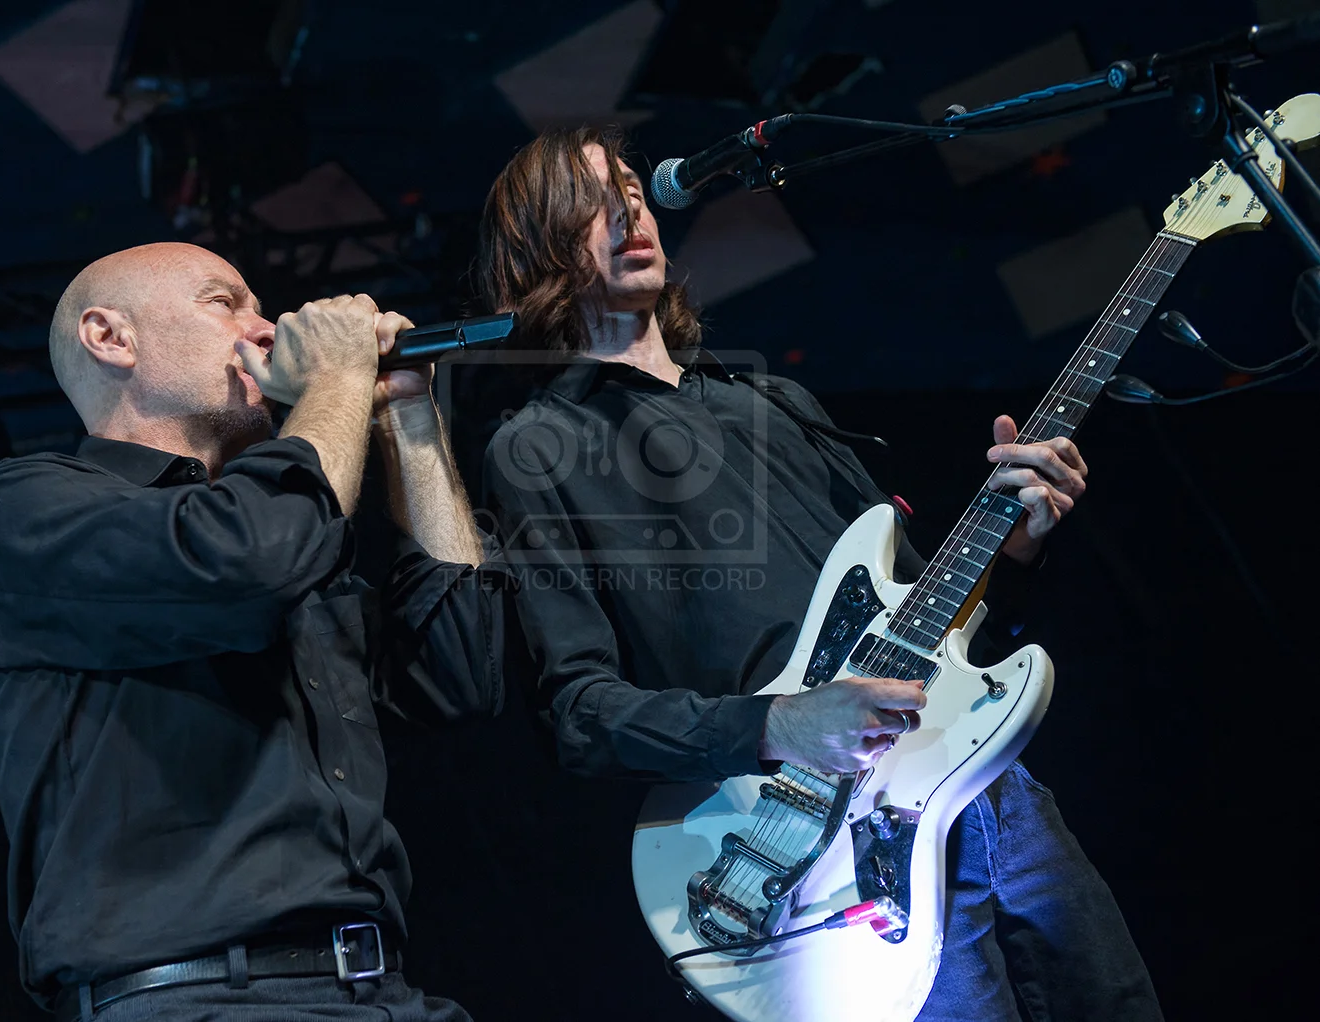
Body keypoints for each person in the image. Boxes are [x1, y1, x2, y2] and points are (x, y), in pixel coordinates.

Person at [470, 128, 1163, 1020]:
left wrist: (1016, 546)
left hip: (984, 785)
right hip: (820, 847)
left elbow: (930, 620)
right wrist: (782, 723)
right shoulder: (537, 447)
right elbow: (579, 713)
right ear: (533, 245)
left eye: (633, 192)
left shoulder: (776, 401)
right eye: (588, 202)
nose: (626, 213)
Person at [0, 242, 506, 1022]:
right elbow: (252, 563)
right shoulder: (25, 507)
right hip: (195, 996)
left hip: (378, 992)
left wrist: (409, 412)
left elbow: (459, 671)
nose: (266, 327)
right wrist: (336, 379)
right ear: (110, 337)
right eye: (225, 302)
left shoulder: (285, 532)